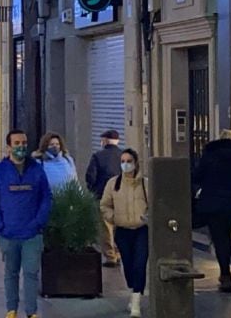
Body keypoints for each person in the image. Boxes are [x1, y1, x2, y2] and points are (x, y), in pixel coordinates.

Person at [0, 130, 52, 318]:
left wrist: (39, 221)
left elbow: (46, 197)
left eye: (24, 142)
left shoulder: (36, 169)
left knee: (31, 273)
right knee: (11, 273)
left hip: (32, 234)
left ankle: (31, 312)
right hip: (8, 233)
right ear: (9, 147)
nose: (21, 146)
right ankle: (11, 310)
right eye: (17, 143)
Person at [192, 130, 231, 293]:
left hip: (213, 202)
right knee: (226, 236)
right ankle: (225, 272)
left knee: (219, 238)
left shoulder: (209, 155)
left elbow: (197, 176)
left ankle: (226, 275)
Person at [100, 148, 149, 318]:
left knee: (140, 264)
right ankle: (133, 290)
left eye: (129, 161)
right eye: (123, 161)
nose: (125, 164)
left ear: (135, 163)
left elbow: (153, 204)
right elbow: (105, 204)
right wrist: (113, 217)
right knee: (128, 265)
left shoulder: (145, 183)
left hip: (141, 230)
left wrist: (146, 218)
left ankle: (136, 301)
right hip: (122, 230)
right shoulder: (113, 184)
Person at [86, 129, 124, 266]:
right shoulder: (124, 156)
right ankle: (119, 253)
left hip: (103, 196)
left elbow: (90, 176)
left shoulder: (97, 156)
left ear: (105, 141)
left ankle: (110, 256)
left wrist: (93, 190)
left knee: (106, 227)